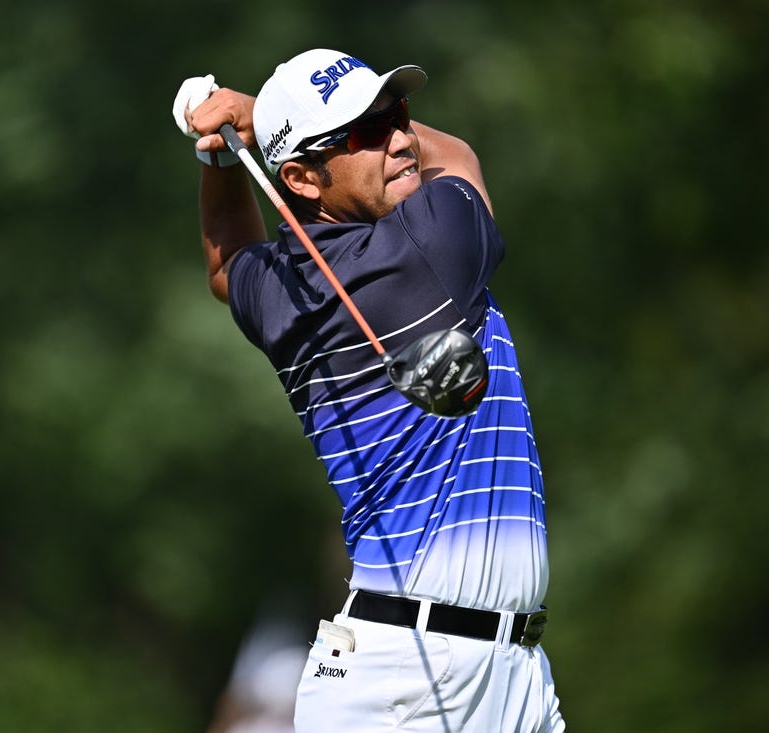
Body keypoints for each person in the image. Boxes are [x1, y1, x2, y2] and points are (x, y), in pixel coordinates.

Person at [172, 48, 565, 732]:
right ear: (298, 177)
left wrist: (221, 157)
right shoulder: (431, 243)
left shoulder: (281, 294)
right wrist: (255, 116)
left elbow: (229, 259)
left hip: (487, 668)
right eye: (365, 133)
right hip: (410, 679)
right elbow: (460, 158)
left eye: (397, 115)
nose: (403, 140)